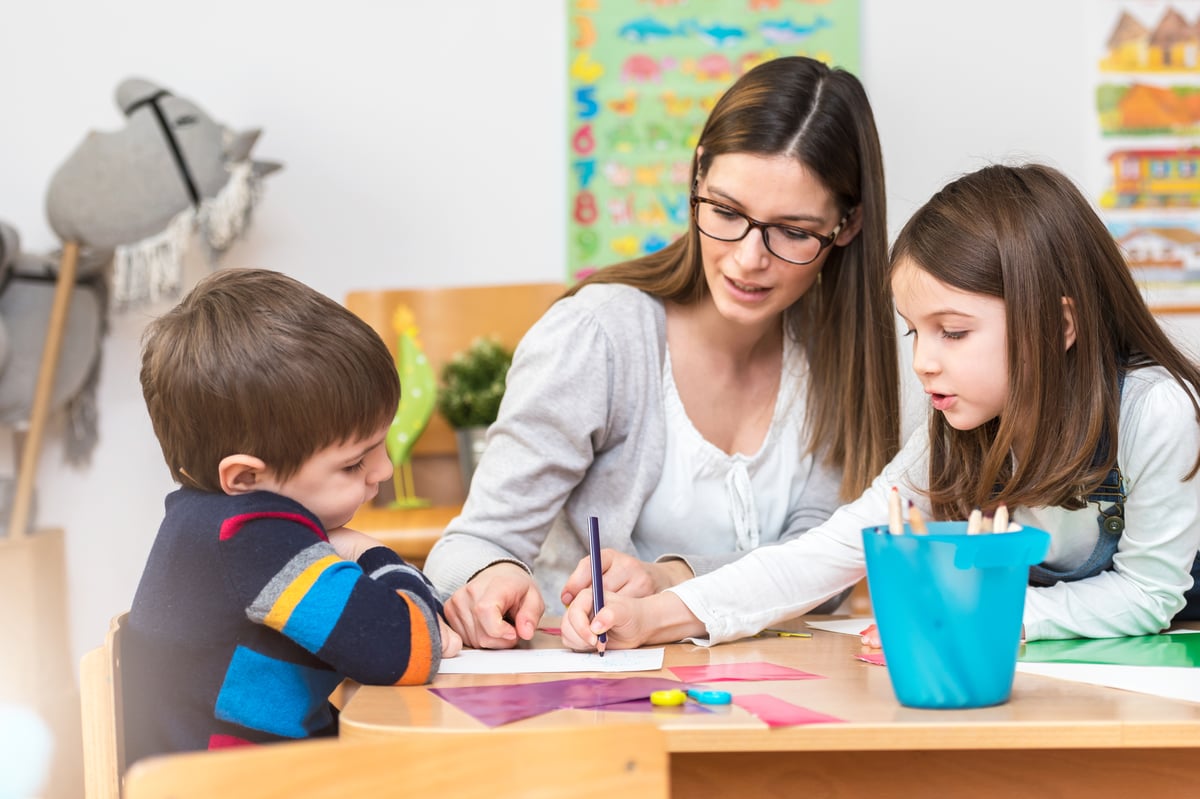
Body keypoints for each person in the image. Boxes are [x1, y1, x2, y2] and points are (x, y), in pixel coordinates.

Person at [561, 162, 1200, 651]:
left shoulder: (1156, 413)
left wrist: (988, 615)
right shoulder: (961, 424)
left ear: (1059, 326)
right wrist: (651, 618)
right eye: (913, 331)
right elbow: (830, 551)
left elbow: (1148, 595)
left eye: (952, 331)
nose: (923, 361)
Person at [424, 55, 901, 648]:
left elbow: (822, 571)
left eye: (794, 231)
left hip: (767, 694)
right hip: (591, 697)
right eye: (726, 212)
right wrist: (491, 575)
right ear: (698, 176)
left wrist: (670, 580)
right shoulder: (598, 338)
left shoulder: (837, 357)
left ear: (848, 224)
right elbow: (469, 548)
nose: (749, 258)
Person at [123, 268, 462, 764]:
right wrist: (367, 550)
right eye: (353, 463)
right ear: (245, 480)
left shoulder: (208, 523)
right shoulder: (250, 536)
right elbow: (406, 649)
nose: (383, 471)